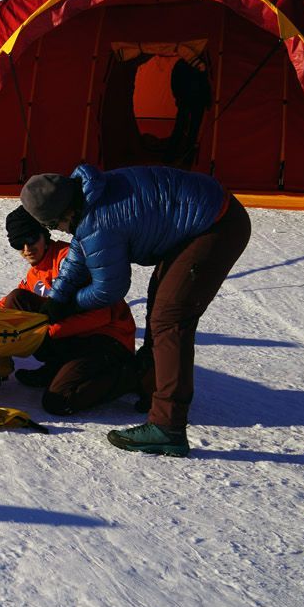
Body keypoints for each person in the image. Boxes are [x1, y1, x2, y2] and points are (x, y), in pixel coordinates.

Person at [21, 164, 251, 457]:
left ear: (62, 215)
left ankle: (168, 427)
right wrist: (57, 298)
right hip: (197, 220)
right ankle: (149, 381)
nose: (60, 232)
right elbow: (80, 251)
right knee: (161, 302)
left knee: (170, 318)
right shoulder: (87, 196)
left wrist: (71, 305)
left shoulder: (98, 220)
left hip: (216, 225)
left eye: (54, 227)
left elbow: (110, 289)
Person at [0, 206, 138, 417]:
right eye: (18, 244)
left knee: (58, 401)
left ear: (44, 235)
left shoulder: (70, 261)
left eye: (31, 239)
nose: (26, 249)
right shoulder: (36, 272)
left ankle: (137, 374)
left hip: (107, 340)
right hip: (75, 339)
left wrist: (47, 332)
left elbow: (102, 314)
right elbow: (12, 301)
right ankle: (57, 367)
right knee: (17, 299)